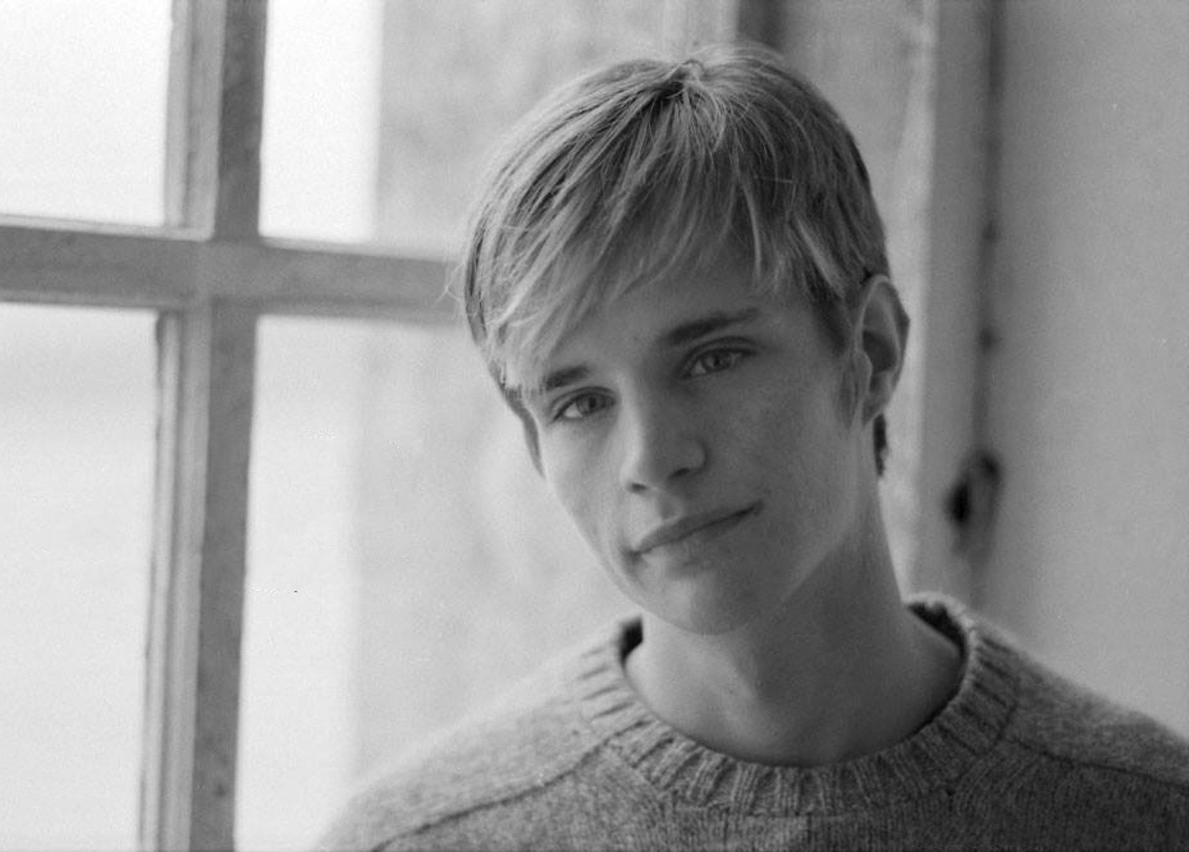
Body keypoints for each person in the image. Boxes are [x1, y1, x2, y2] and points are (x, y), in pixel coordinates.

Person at [321, 44, 1189, 850]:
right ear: (534, 445)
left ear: (872, 351)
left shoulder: (1144, 814)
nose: (652, 460)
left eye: (712, 358)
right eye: (581, 403)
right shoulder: (418, 839)